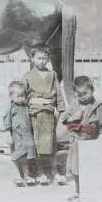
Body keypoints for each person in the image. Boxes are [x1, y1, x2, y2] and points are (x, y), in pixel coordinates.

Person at [22, 46, 66, 185]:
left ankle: (53, 170)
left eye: (44, 58)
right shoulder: (27, 76)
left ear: (48, 59)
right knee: (37, 144)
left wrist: (61, 109)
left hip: (49, 113)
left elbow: (58, 93)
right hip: (34, 113)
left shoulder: (52, 75)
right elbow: (23, 96)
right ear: (32, 59)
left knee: (51, 143)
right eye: (38, 58)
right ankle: (40, 171)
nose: (41, 61)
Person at [59, 75, 102, 199]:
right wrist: (74, 117)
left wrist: (101, 138)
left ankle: (93, 188)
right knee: (76, 166)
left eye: (85, 93)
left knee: (92, 165)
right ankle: (78, 190)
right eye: (79, 94)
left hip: (92, 140)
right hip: (77, 141)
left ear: (92, 90)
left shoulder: (98, 105)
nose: (82, 97)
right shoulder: (75, 104)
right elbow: (63, 119)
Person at [2, 80, 37, 187]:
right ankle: (18, 175)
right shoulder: (11, 108)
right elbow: (7, 121)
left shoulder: (25, 106)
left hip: (27, 135)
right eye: (19, 96)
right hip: (17, 135)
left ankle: (27, 176)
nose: (22, 98)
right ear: (11, 96)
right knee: (18, 156)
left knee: (27, 156)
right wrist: (8, 134)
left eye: (23, 96)